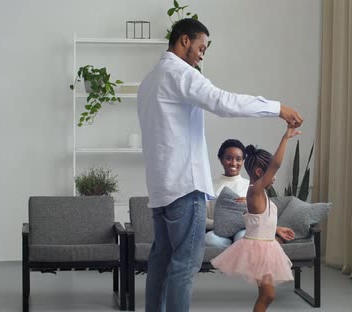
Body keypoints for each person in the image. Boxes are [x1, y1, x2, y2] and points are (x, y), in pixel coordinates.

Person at [136, 18, 303, 312]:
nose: (202, 54)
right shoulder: (180, 74)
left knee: (161, 261)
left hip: (161, 189)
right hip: (185, 188)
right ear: (184, 40)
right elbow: (224, 102)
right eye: (201, 47)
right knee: (184, 266)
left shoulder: (150, 80)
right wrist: (277, 108)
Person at [211, 125, 301, 312]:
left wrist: (277, 229)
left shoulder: (258, 194)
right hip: (259, 250)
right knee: (268, 295)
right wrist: (285, 138)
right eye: (271, 173)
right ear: (260, 173)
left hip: (267, 246)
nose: (275, 176)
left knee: (267, 295)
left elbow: (261, 221)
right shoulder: (255, 190)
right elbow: (276, 164)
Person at [206, 139, 296, 248]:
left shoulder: (252, 186)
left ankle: (236, 249)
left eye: (238, 159)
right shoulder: (209, 186)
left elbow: (260, 217)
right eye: (229, 158)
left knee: (244, 237)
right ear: (221, 159)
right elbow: (203, 219)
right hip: (219, 232)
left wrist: (248, 205)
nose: (234, 163)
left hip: (245, 230)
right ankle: (233, 249)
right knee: (209, 238)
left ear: (243, 161)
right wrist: (221, 223)